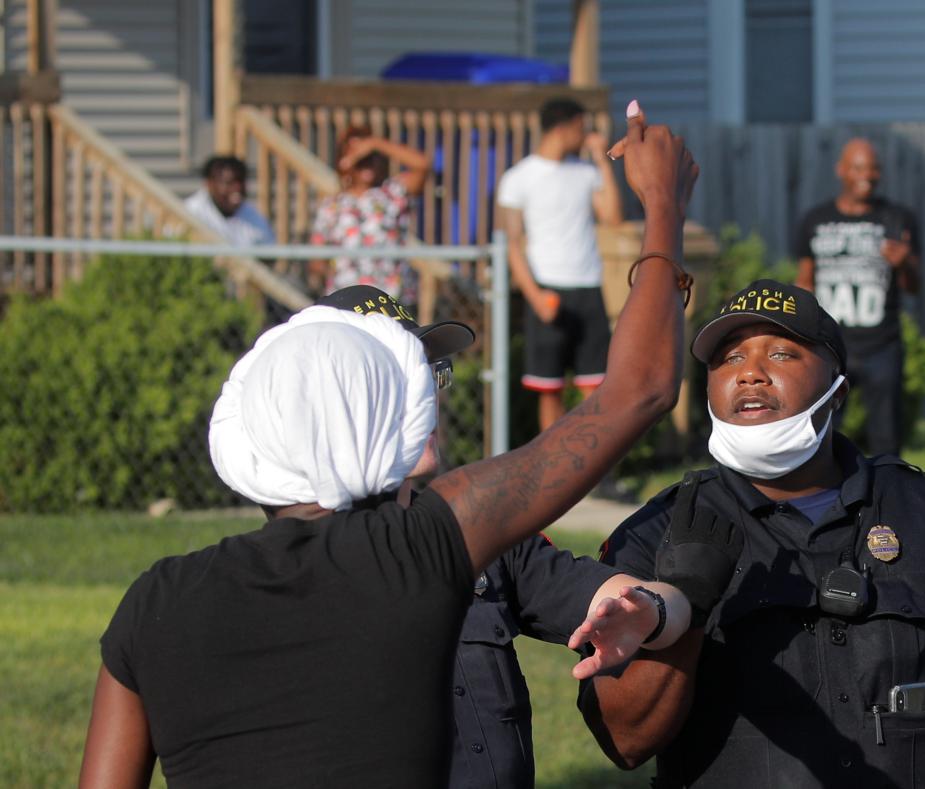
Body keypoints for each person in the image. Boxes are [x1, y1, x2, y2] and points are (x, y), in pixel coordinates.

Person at [78, 102, 702, 787]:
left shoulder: (154, 601)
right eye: (407, 377)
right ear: (373, 411)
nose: (431, 393)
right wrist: (662, 205)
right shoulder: (427, 544)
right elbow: (637, 390)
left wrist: (657, 607)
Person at [580, 279, 925, 789]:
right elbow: (625, 742)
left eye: (783, 354)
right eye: (729, 358)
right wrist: (688, 604)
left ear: (838, 391)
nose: (751, 375)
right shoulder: (657, 533)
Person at [316, 284, 685, 789]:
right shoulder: (282, 573)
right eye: (395, 375)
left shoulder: (481, 538)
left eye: (428, 374)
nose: (423, 395)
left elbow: (614, 596)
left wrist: (653, 609)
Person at [497, 97, 622, 432]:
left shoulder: (585, 173)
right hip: (548, 288)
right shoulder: (518, 178)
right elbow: (511, 244)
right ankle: (552, 471)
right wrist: (534, 296)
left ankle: (597, 472)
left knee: (595, 387)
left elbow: (612, 217)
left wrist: (601, 160)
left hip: (587, 285)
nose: (585, 137)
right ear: (564, 128)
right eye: (582, 129)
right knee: (548, 389)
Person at [792, 138, 919, 456]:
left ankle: (890, 498)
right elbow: (805, 280)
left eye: (874, 168)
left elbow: (914, 286)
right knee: (819, 433)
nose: (868, 175)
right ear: (842, 170)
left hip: (882, 344)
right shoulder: (816, 220)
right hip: (832, 345)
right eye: (860, 167)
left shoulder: (896, 218)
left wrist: (905, 264)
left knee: (887, 437)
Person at [308, 125, 432, 303]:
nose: (366, 163)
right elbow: (317, 258)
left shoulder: (392, 194)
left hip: (392, 299)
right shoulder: (332, 205)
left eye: (370, 158)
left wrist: (376, 143)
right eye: (359, 159)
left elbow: (422, 165)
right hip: (346, 301)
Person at [184, 155, 275, 246]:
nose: (237, 188)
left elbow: (269, 253)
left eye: (240, 181)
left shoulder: (252, 216)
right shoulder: (191, 211)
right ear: (209, 184)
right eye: (228, 183)